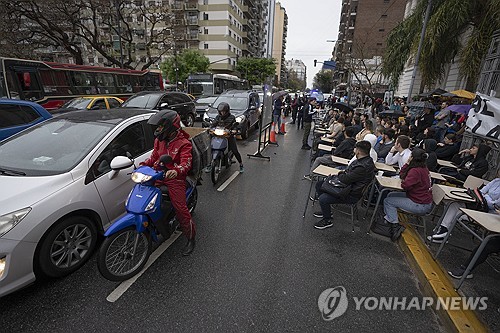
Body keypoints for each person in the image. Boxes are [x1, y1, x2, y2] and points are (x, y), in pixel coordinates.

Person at [143, 110, 196, 255]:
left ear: (170, 127)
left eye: (160, 127)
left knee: (181, 209)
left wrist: (176, 171)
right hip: (158, 175)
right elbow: (153, 158)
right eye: (157, 127)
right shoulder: (159, 141)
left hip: (175, 179)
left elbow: (186, 163)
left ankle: (190, 238)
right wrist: (142, 165)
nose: (158, 130)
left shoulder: (183, 144)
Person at [313, 140, 376, 229]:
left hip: (351, 193)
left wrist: (340, 173)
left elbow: (345, 179)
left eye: (355, 148)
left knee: (323, 198)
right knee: (320, 184)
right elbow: (347, 174)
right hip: (349, 187)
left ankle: (327, 220)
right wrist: (343, 174)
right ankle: (326, 211)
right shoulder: (366, 160)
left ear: (358, 151)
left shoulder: (362, 166)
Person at [428, 171, 500, 243]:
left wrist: (485, 197)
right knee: (453, 204)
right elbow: (481, 192)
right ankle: (443, 231)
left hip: (488, 213)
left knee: (456, 209)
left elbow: (495, 205)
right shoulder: (496, 181)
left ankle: (443, 231)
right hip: (478, 205)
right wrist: (485, 197)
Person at [383, 148, 433, 241]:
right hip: (420, 199)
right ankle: (390, 220)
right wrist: (407, 164)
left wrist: (404, 180)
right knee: (390, 195)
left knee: (388, 201)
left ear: (412, 157)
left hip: (420, 204)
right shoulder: (423, 168)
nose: (408, 157)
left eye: (410, 156)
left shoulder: (416, 171)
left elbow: (405, 185)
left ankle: (394, 226)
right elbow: (403, 175)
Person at [210, 102, 244, 173]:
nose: (222, 113)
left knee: (234, 150)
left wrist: (234, 130)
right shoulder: (217, 117)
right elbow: (213, 124)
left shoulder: (232, 118)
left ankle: (241, 164)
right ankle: (209, 164)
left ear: (227, 111)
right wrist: (210, 128)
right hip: (218, 135)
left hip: (228, 136)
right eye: (221, 112)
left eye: (223, 111)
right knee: (210, 147)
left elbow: (235, 126)